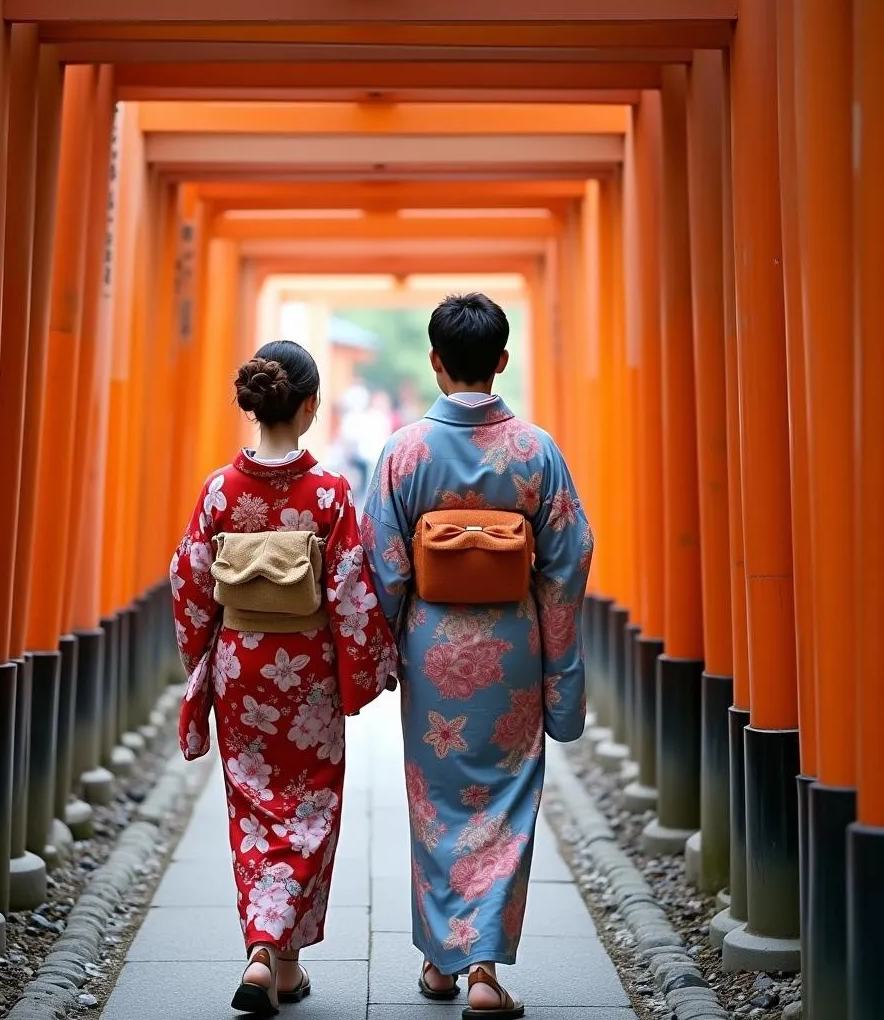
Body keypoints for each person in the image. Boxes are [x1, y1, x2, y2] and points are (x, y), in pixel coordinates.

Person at [359, 294, 593, 1020]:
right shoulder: (534, 450)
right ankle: (480, 966)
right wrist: (559, 668)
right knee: (504, 800)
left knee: (437, 805)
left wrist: (385, 652)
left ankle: (442, 960)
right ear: (501, 361)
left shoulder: (405, 450)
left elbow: (383, 564)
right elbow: (567, 558)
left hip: (434, 649)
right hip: (512, 649)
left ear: (435, 362)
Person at [170, 340, 398, 1016]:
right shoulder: (328, 493)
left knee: (253, 807)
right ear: (309, 407)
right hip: (309, 676)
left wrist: (202, 665)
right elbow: (353, 592)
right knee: (309, 810)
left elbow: (189, 584)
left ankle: (272, 956)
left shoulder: (219, 491)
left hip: (244, 666)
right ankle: (273, 951)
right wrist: (369, 672)